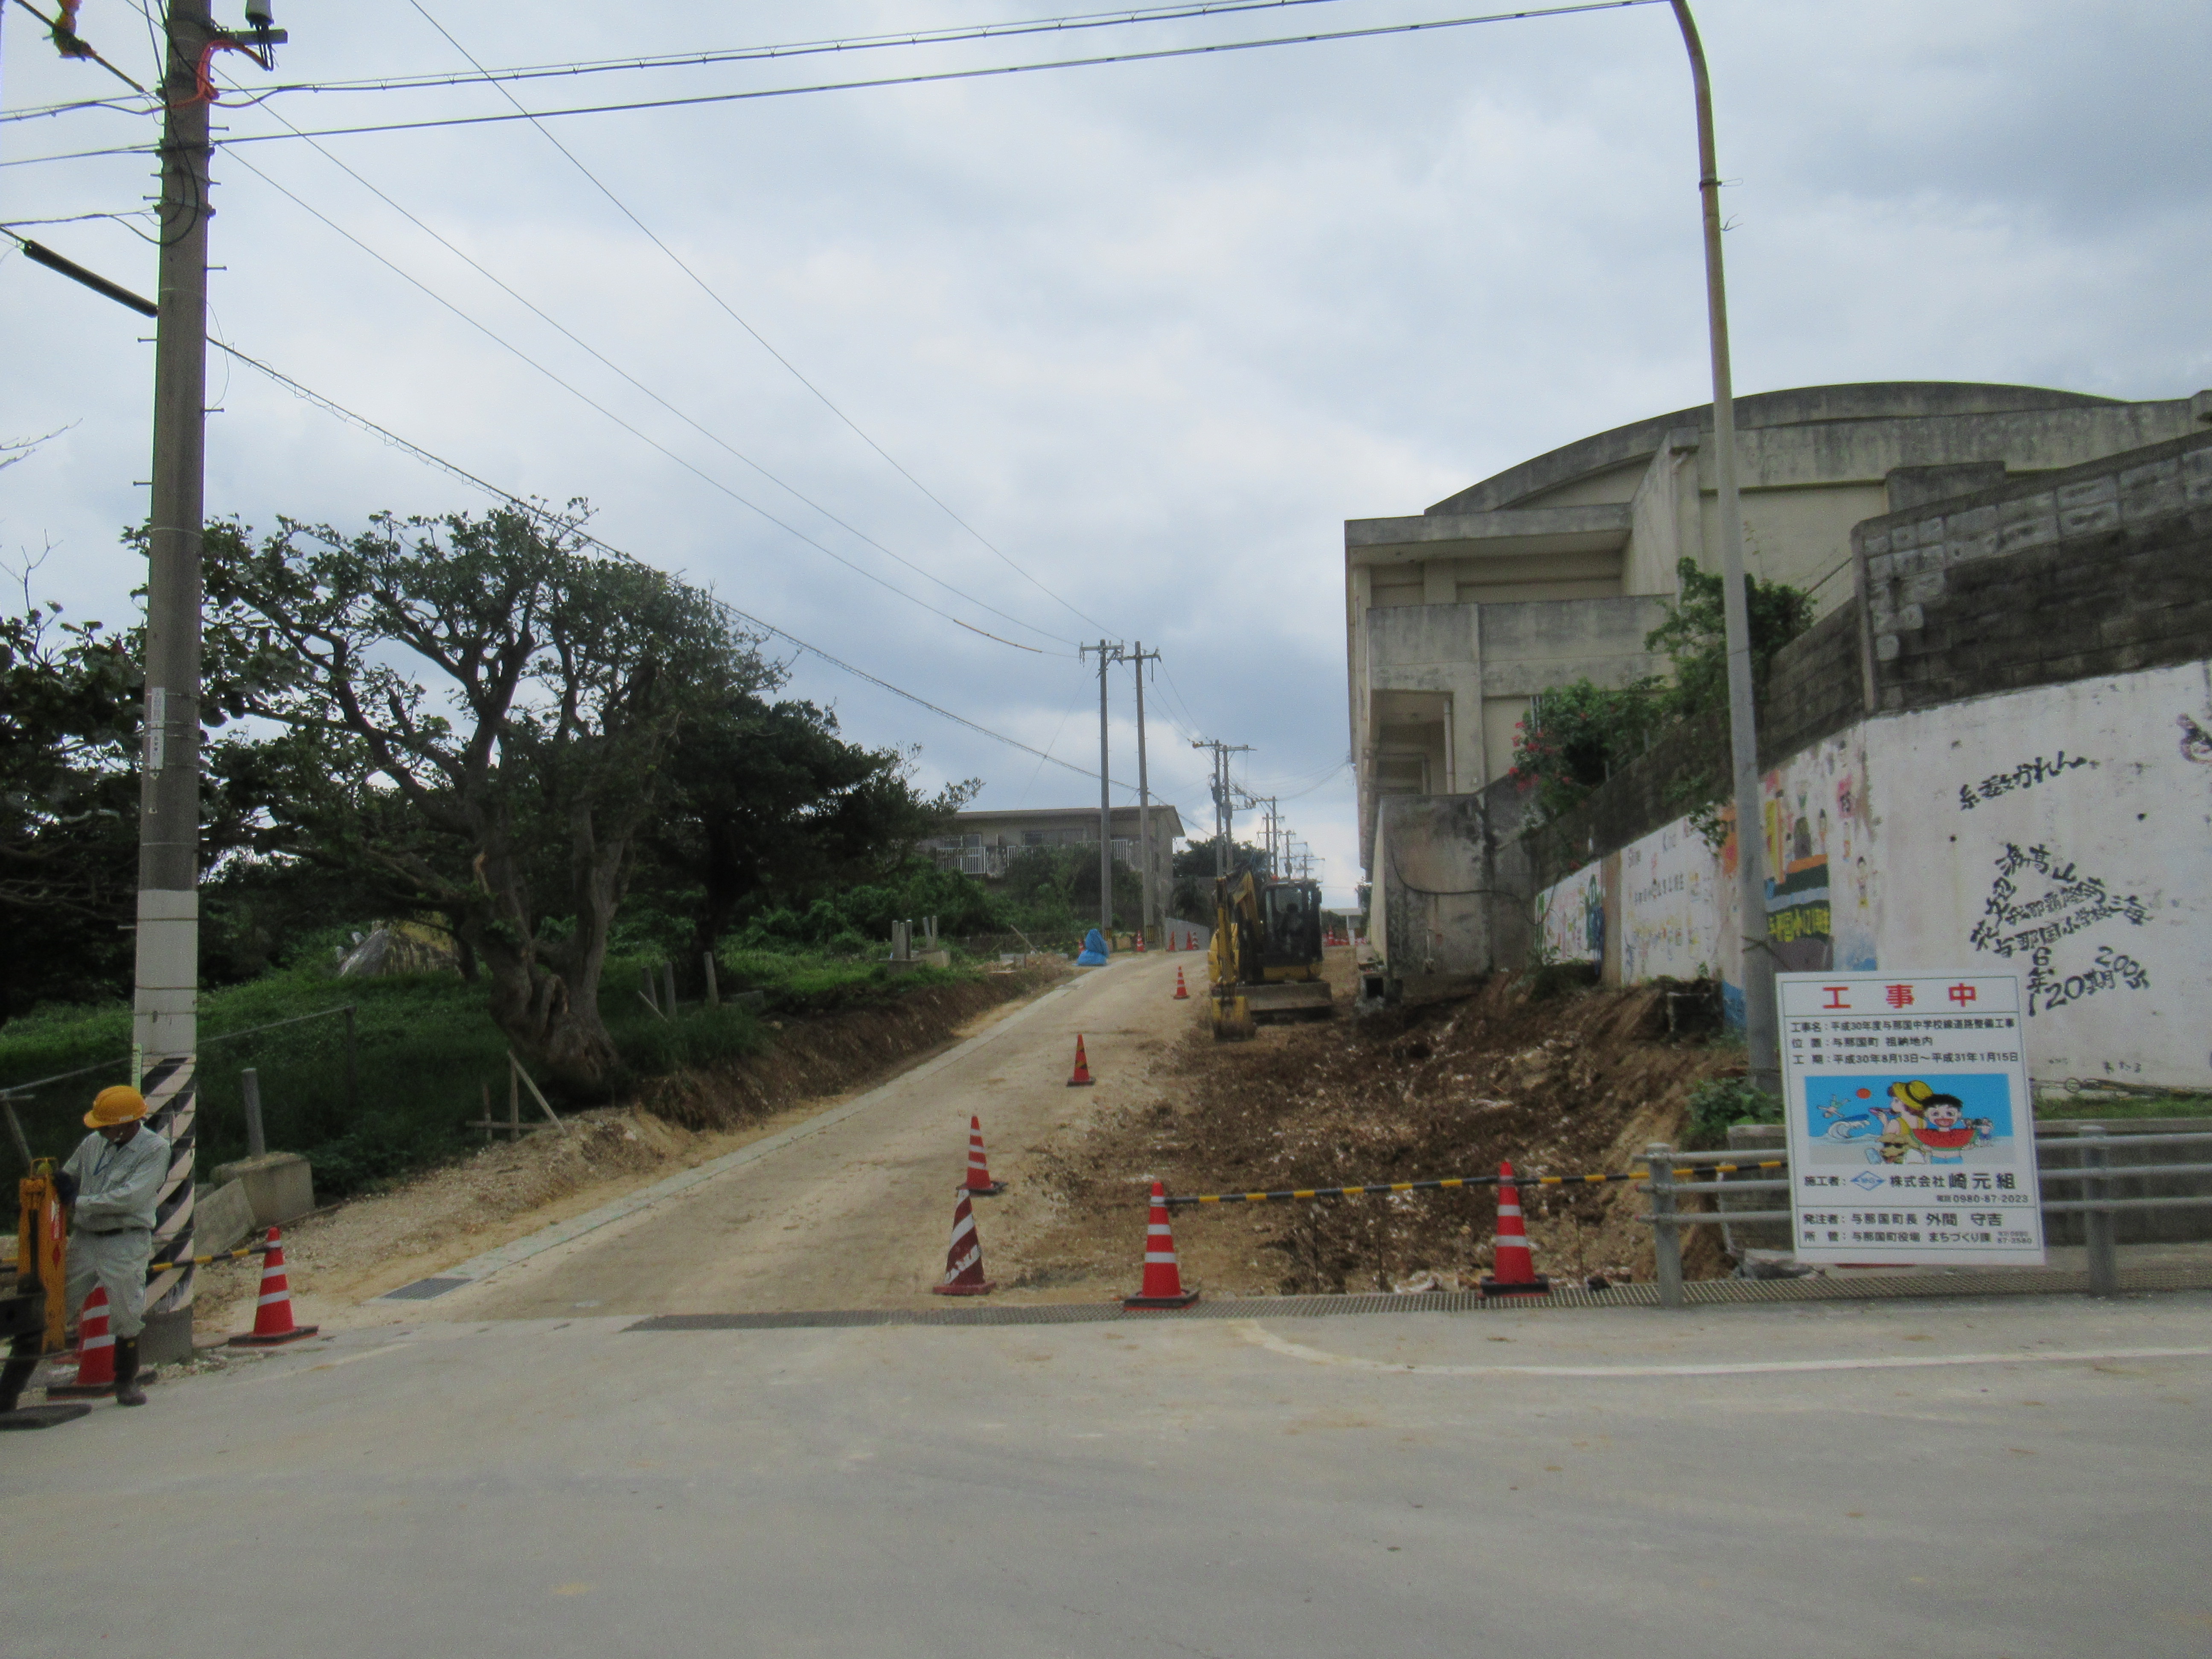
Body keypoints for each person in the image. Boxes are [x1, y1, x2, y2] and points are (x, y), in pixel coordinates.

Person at [58, 1085, 169, 1406]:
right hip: (87, 1238)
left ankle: (126, 1380)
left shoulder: (155, 1150)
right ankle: (16, 1378)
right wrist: (58, 1181)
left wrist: (78, 1202)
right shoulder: (95, 1143)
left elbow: (131, 1198)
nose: (100, 1131)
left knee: (126, 1311)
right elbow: (71, 1171)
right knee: (57, 1302)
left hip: (126, 1239)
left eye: (105, 1125)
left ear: (125, 1124)